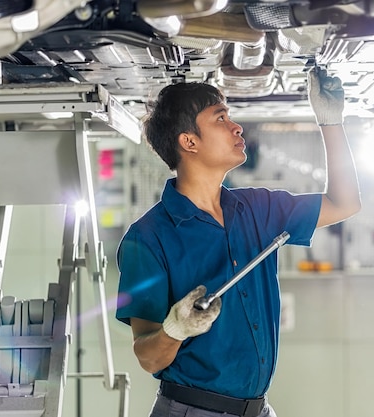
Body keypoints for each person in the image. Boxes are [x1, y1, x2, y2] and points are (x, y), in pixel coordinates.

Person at [115, 66, 361, 417]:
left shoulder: (256, 208)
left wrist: (332, 121)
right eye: (220, 118)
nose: (236, 126)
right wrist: (175, 328)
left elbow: (345, 202)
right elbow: (148, 355)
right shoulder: (148, 238)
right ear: (189, 142)